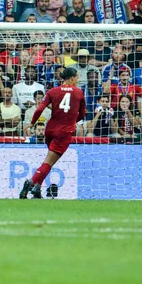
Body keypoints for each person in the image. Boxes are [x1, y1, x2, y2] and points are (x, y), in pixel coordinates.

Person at [20, 68, 86, 199]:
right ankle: (32, 182)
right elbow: (83, 114)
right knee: (48, 162)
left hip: (49, 130)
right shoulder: (78, 93)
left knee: (49, 160)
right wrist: (72, 121)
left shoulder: (52, 91)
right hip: (64, 132)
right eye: (77, 77)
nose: (78, 80)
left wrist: (32, 123)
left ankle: (38, 189)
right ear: (72, 78)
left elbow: (39, 108)